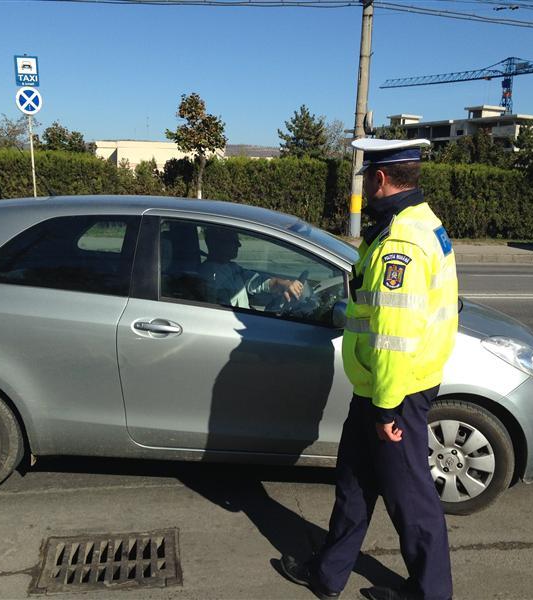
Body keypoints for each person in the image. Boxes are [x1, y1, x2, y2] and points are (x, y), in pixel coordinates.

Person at [279, 138, 458, 600]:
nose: (364, 189)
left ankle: (430, 594)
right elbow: (373, 311)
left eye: (366, 180)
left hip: (394, 393)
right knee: (354, 484)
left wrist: (385, 411)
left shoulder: (401, 242)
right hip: (380, 389)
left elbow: (394, 337)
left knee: (411, 499)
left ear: (379, 179)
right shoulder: (419, 223)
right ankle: (328, 574)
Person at [199, 226, 303, 310]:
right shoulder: (212, 276)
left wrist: (282, 283)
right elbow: (224, 314)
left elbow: (255, 281)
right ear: (218, 243)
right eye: (234, 240)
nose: (239, 245)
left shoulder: (231, 267)